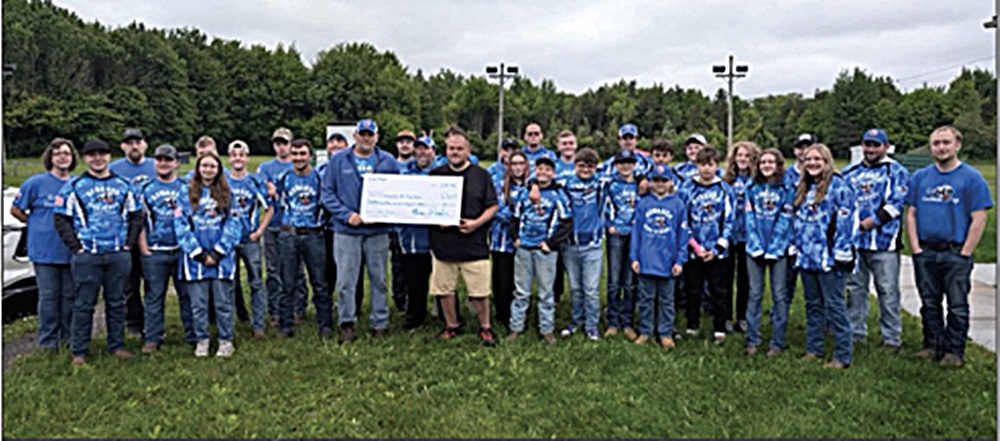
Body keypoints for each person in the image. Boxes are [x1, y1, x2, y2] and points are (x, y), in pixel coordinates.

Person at [906, 126, 992, 368]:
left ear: (957, 145)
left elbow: (979, 218)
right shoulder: (920, 177)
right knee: (929, 303)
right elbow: (911, 214)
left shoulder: (972, 178)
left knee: (957, 305)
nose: (941, 147)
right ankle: (932, 345)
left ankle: (954, 351)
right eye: (936, 143)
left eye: (946, 142)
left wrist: (965, 252)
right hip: (926, 251)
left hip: (955, 251)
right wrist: (915, 248)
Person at [54, 139, 143, 365]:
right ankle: (79, 351)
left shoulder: (124, 185)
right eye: (92, 154)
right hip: (88, 255)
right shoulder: (74, 186)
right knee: (84, 304)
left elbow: (136, 215)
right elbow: (61, 219)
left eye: (102, 154)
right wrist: (77, 247)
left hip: (118, 254)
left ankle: (116, 345)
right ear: (85, 158)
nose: (98, 158)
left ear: (109, 156)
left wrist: (128, 244)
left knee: (117, 302)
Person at [321, 119, 400, 343]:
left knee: (379, 278)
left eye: (370, 134)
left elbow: (397, 192)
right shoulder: (338, 160)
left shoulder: (388, 161)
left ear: (377, 137)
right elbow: (327, 193)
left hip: (378, 230)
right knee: (346, 280)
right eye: (362, 134)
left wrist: (387, 214)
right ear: (355, 136)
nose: (366, 138)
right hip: (347, 230)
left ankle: (380, 322)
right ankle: (347, 322)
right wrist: (347, 215)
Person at [428, 125, 500, 347]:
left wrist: (476, 223)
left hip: (474, 243)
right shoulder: (435, 176)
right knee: (444, 289)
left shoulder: (481, 175)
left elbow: (493, 206)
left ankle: (485, 327)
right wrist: (436, 219)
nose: (455, 152)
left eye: (459, 148)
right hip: (443, 243)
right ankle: (452, 325)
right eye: (451, 148)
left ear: (468, 150)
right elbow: (425, 207)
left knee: (479, 291)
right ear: (446, 150)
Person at [842, 128, 909, 350]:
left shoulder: (896, 171)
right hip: (855, 244)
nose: (870, 149)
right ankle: (855, 333)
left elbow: (895, 205)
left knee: (887, 291)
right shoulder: (849, 172)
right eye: (867, 144)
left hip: (884, 243)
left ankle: (891, 338)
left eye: (876, 145)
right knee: (855, 289)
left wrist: (866, 224)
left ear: (885, 147)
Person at [792, 143, 857, 369]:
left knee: (835, 306)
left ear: (827, 161)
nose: (812, 163)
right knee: (813, 305)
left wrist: (841, 253)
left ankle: (843, 355)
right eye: (808, 159)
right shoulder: (804, 188)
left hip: (830, 259)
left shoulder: (840, 187)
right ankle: (814, 348)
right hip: (808, 257)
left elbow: (847, 223)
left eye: (817, 159)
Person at [10, 138, 78, 350]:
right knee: (49, 297)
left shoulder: (77, 184)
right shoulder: (35, 183)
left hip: (71, 249)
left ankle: (68, 339)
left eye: (66, 153)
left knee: (69, 297)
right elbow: (16, 209)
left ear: (72, 157)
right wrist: (34, 223)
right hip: (44, 250)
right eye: (58, 154)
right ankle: (48, 341)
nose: (62, 157)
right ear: (50, 157)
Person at [173, 153, 242, 357]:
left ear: (218, 169)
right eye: (204, 166)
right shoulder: (186, 193)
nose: (208, 170)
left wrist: (219, 251)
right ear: (198, 168)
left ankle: (225, 340)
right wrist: (198, 253)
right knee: (198, 305)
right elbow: (181, 225)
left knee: (223, 303)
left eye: (212, 166)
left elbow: (234, 224)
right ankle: (201, 340)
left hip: (222, 259)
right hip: (196, 260)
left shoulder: (228, 193)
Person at [135, 144, 196, 353]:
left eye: (168, 159)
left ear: (176, 163)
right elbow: (139, 221)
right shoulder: (145, 189)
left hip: (182, 250)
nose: (163, 163)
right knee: (154, 296)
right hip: (155, 250)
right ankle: (152, 338)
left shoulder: (187, 187)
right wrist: (144, 248)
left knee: (187, 295)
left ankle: (193, 335)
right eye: (159, 159)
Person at [506, 157, 573, 344]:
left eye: (547, 169)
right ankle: (516, 327)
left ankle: (546, 329)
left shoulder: (558, 194)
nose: (543, 172)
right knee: (521, 291)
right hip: (524, 247)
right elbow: (515, 216)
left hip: (545, 250)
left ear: (553, 173)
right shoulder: (525, 192)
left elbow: (566, 221)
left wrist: (551, 243)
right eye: (540, 168)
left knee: (546, 292)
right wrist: (515, 237)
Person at [274, 140, 331, 338]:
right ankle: (286, 324)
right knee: (287, 283)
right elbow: (275, 202)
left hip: (313, 234)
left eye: (303, 154)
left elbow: (326, 203)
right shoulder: (284, 178)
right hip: (289, 233)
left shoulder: (319, 178)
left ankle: (325, 324)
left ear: (310, 156)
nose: (298, 158)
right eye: (295, 154)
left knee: (319, 282)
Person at [678, 147, 735, 344]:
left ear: (717, 166)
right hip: (694, 250)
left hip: (717, 251)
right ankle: (692, 324)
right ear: (696, 166)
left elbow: (729, 220)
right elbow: (683, 220)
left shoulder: (724, 189)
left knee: (719, 289)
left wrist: (718, 247)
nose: (706, 169)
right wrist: (695, 246)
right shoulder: (687, 189)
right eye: (702, 165)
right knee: (693, 289)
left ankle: (720, 327)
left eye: (710, 165)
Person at [743, 148, 794, 357]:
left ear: (778, 165)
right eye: (763, 162)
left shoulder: (786, 189)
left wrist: (774, 247)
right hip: (754, 249)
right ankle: (752, 340)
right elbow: (749, 218)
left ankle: (777, 342)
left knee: (779, 295)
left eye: (771, 162)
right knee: (755, 294)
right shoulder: (751, 188)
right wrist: (756, 245)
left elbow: (786, 218)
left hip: (778, 250)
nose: (766, 166)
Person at [630, 164, 688, 348]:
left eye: (664, 180)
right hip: (647, 259)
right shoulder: (643, 203)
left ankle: (665, 332)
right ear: (650, 182)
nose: (660, 184)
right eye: (656, 180)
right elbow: (636, 232)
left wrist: (680, 260)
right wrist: (634, 257)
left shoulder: (678, 204)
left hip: (668, 261)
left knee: (667, 300)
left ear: (671, 182)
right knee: (646, 299)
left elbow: (683, 235)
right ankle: (645, 331)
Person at [258, 127, 307, 326]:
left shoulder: (298, 167)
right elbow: (261, 191)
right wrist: (267, 190)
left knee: (297, 270)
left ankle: (298, 309)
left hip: (293, 224)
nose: (281, 147)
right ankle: (276, 311)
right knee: (273, 270)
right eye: (278, 143)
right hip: (272, 224)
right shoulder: (265, 167)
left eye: (285, 143)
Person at [110, 128, 155, 337]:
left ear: (145, 144)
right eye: (129, 143)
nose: (134, 146)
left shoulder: (156, 165)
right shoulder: (114, 169)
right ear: (123, 146)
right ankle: (134, 322)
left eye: (138, 142)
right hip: (125, 234)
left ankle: (154, 323)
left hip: (153, 234)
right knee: (129, 283)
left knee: (153, 282)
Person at [226, 140, 274, 338]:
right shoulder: (223, 181)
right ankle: (228, 326)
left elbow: (269, 208)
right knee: (229, 284)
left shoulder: (254, 182)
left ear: (247, 158)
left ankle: (259, 325)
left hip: (249, 239)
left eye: (241, 155)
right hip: (228, 241)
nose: (238, 158)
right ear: (229, 158)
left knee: (256, 282)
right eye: (234, 155)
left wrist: (260, 231)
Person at [558, 148, 605, 340]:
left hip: (592, 245)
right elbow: (542, 180)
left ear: (596, 167)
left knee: (591, 290)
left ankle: (592, 325)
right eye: (581, 165)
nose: (585, 170)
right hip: (570, 244)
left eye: (590, 166)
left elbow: (625, 174)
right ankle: (576, 320)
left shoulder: (601, 183)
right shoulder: (565, 183)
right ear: (575, 165)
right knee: (575, 288)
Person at [316, 132, 363, 313]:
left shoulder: (352, 165)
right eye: (331, 142)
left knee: (354, 268)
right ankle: (327, 304)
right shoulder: (320, 169)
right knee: (329, 267)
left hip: (349, 224)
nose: (335, 145)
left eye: (339, 142)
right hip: (328, 226)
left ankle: (355, 304)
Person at [398, 135, 438, 329]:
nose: (422, 152)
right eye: (419, 148)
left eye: (426, 148)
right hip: (412, 237)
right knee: (414, 281)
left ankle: (446, 315)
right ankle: (415, 316)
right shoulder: (403, 173)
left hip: (438, 237)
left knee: (443, 281)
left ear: (434, 152)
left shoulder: (442, 173)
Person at [603, 149, 642, 339]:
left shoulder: (641, 184)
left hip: (635, 235)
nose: (625, 166)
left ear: (634, 164)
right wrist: (609, 224)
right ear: (616, 165)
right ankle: (612, 321)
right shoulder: (611, 184)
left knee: (630, 282)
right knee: (613, 280)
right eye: (621, 163)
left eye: (629, 162)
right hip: (617, 234)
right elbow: (604, 205)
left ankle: (627, 322)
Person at [721, 141, 760, 333]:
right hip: (729, 235)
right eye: (739, 155)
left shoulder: (757, 181)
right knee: (726, 278)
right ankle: (726, 316)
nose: (743, 159)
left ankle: (743, 316)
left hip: (749, 236)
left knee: (746, 279)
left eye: (747, 156)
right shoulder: (726, 181)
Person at [490, 150, 529, 331]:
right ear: (508, 167)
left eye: (521, 163)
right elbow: (497, 210)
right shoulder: (499, 186)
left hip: (526, 241)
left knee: (520, 281)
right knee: (502, 280)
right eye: (514, 164)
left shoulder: (532, 187)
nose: (518, 167)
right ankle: (502, 313)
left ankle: (520, 313)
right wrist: (519, 215)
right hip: (502, 241)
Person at [390, 130, 418, 311]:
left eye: (409, 141)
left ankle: (415, 300)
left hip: (417, 227)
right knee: (397, 266)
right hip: (395, 227)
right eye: (401, 141)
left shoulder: (418, 166)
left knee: (416, 268)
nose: (405, 144)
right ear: (397, 145)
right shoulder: (389, 165)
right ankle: (400, 301)